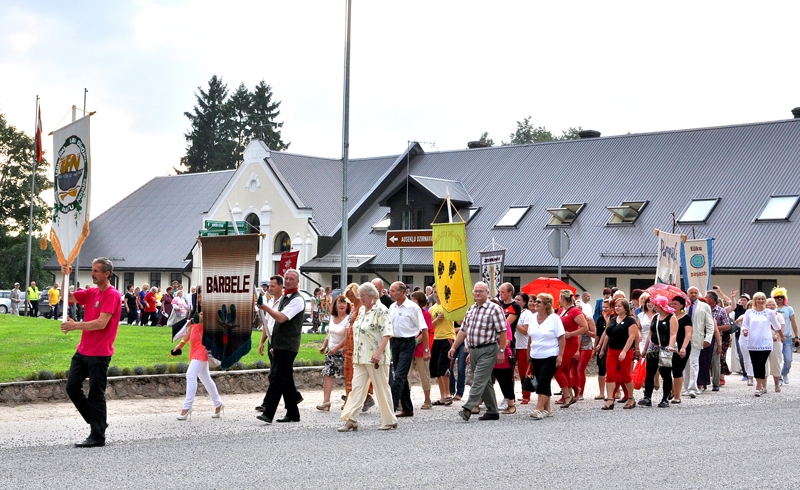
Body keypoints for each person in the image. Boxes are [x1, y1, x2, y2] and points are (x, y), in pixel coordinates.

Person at [60, 257, 122, 447]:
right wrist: (65, 275)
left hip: (100, 352)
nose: (92, 274)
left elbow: (101, 323)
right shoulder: (91, 292)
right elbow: (66, 296)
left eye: (96, 271)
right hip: (83, 350)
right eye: (92, 270)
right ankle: (98, 422)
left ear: (106, 274)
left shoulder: (112, 295)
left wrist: (75, 325)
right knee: (71, 387)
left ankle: (97, 436)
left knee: (96, 393)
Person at [338, 282, 397, 432]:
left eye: (362, 295)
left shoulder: (381, 310)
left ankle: (389, 420)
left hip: (376, 358)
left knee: (381, 388)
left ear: (371, 296)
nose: (360, 298)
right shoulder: (362, 310)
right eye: (360, 295)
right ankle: (351, 419)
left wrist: (378, 353)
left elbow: (387, 333)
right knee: (356, 388)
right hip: (360, 357)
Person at [448, 281, 508, 422]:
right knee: (485, 381)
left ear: (487, 293)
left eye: (481, 291)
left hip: (488, 349)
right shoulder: (471, 309)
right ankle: (493, 411)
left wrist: (501, 350)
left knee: (478, 379)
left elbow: (503, 331)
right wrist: (454, 347)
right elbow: (463, 331)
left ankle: (467, 408)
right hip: (474, 350)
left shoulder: (494, 309)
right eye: (475, 291)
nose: (478, 293)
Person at [256, 269, 305, 424]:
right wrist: (272, 343)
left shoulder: (297, 300)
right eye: (287, 278)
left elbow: (282, 318)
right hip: (279, 344)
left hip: (289, 346)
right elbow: (273, 323)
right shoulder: (284, 298)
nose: (288, 281)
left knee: (277, 378)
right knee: (285, 379)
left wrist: (266, 308)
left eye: (291, 279)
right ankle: (293, 412)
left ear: (297, 282)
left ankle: (268, 412)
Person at [388, 281, 429, 417]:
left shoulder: (413, 308)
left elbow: (424, 329)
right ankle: (407, 408)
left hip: (408, 342)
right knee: (401, 375)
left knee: (399, 375)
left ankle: (391, 407)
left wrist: (426, 349)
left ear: (402, 292)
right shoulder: (392, 307)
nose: (390, 293)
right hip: (395, 342)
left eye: (393, 291)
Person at [172, 314, 224, 420]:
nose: (200, 298)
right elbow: (191, 330)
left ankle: (187, 407)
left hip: (203, 348)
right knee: (205, 379)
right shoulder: (196, 309)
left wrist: (197, 318)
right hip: (195, 347)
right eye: (198, 296)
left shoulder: (209, 308)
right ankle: (218, 404)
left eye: (201, 296)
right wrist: (181, 344)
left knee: (190, 375)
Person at [526, 293, 565, 420]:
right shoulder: (532, 317)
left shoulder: (554, 318)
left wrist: (560, 355)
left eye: (538, 302)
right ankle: (547, 409)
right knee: (542, 381)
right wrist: (528, 353)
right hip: (536, 354)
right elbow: (530, 337)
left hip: (551, 354)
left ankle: (538, 408)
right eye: (535, 301)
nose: (535, 304)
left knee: (543, 379)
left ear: (546, 305)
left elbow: (561, 337)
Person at [597, 298, 638, 409]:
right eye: (615, 306)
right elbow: (608, 334)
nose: (617, 308)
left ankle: (630, 398)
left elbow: (632, 337)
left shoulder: (630, 320)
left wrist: (624, 351)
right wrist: (602, 349)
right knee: (610, 375)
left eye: (619, 306)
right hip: (611, 350)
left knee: (626, 376)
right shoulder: (613, 319)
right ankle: (610, 399)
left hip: (625, 351)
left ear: (625, 308)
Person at [639, 296, 678, 408]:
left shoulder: (671, 317)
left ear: (661, 305)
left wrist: (670, 346)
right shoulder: (656, 317)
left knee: (665, 373)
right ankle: (647, 397)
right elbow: (650, 335)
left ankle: (665, 398)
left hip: (665, 347)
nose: (654, 306)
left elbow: (673, 334)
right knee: (649, 372)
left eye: (656, 304)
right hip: (653, 347)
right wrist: (645, 349)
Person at [742, 292, 783, 397]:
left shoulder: (769, 313)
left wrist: (781, 336)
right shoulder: (749, 312)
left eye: (762, 299)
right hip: (753, 342)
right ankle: (759, 383)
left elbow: (777, 326)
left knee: (761, 363)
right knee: (755, 364)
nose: (760, 301)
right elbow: (745, 325)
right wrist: (745, 330)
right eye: (758, 299)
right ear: (755, 300)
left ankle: (759, 386)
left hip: (765, 342)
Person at [553, 290, 588, 407]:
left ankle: (568, 395)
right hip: (561, 342)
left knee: (558, 369)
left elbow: (584, 328)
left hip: (570, 343)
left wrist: (571, 333)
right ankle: (574, 390)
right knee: (565, 370)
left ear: (563, 299)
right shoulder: (561, 310)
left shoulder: (575, 311)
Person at [317, 295, 350, 411]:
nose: (341, 305)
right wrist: (324, 346)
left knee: (347, 376)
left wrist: (336, 349)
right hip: (330, 351)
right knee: (327, 373)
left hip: (343, 352)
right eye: (339, 303)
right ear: (335, 306)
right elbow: (329, 334)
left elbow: (347, 337)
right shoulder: (332, 317)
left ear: (347, 305)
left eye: (344, 303)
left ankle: (348, 402)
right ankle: (326, 401)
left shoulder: (349, 319)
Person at [684, 286, 714, 398]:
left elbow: (709, 324)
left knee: (694, 363)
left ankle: (693, 388)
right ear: (687, 294)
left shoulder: (704, 306)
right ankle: (686, 387)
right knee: (685, 364)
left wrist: (708, 338)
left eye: (695, 292)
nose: (693, 294)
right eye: (691, 292)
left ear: (698, 294)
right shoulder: (684, 305)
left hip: (697, 338)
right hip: (683, 339)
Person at [429, 286, 455, 406]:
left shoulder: (448, 306)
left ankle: (448, 394)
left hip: (447, 337)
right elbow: (429, 325)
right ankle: (442, 396)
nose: (436, 295)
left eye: (438, 292)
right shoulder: (432, 308)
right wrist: (437, 319)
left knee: (444, 366)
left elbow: (457, 319)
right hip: (436, 338)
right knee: (437, 369)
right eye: (435, 292)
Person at [409, 291, 434, 410]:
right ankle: (404, 400)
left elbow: (426, 331)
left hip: (421, 347)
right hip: (408, 347)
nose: (412, 301)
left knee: (424, 374)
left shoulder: (425, 314)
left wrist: (415, 342)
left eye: (414, 299)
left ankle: (427, 399)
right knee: (405, 375)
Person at [497, 282, 520, 410]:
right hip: (496, 341)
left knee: (507, 373)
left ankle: (508, 398)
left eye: (503, 292)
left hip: (509, 341)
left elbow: (505, 323)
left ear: (510, 292)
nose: (501, 294)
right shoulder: (499, 306)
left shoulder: (515, 306)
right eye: (500, 292)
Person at [771, 287, 798, 385]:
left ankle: (785, 373)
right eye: (777, 297)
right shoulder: (771, 309)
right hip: (775, 338)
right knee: (777, 359)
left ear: (784, 298)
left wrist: (797, 336)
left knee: (788, 359)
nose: (779, 299)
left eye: (781, 297)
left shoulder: (789, 309)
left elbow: (794, 323)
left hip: (787, 337)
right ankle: (779, 379)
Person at [669, 296, 692, 404]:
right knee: (667, 370)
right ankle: (672, 390)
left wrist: (683, 348)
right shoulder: (669, 316)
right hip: (669, 346)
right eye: (671, 303)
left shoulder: (686, 318)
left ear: (682, 306)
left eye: (675, 304)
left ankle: (677, 396)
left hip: (682, 346)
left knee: (677, 370)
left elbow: (688, 334)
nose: (673, 306)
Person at [705, 290, 730, 391]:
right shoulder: (703, 309)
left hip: (716, 338)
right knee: (704, 361)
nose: (705, 299)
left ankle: (716, 383)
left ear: (712, 300)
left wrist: (714, 328)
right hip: (703, 337)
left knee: (715, 361)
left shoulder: (721, 311)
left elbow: (727, 325)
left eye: (707, 298)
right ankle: (704, 381)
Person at [765, 297, 786, 393]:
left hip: (775, 342)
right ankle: (763, 386)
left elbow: (781, 327)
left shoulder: (779, 315)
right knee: (764, 364)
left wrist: (777, 335)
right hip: (764, 342)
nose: (771, 306)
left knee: (776, 362)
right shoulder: (763, 315)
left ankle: (777, 384)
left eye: (773, 305)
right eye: (769, 304)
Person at [593, 299, 612, 400]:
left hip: (610, 345)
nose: (604, 309)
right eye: (603, 307)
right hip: (600, 345)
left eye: (606, 307)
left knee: (611, 369)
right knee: (601, 368)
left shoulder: (613, 318)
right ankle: (601, 392)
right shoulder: (600, 318)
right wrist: (595, 347)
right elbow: (597, 334)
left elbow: (607, 332)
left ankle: (614, 392)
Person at [514, 292, 531, 404]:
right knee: (508, 371)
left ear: (524, 302)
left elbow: (525, 331)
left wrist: (514, 322)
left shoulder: (527, 314)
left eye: (519, 300)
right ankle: (510, 396)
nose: (516, 301)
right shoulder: (512, 312)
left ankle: (526, 394)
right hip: (512, 345)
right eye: (515, 299)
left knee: (523, 372)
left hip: (523, 346)